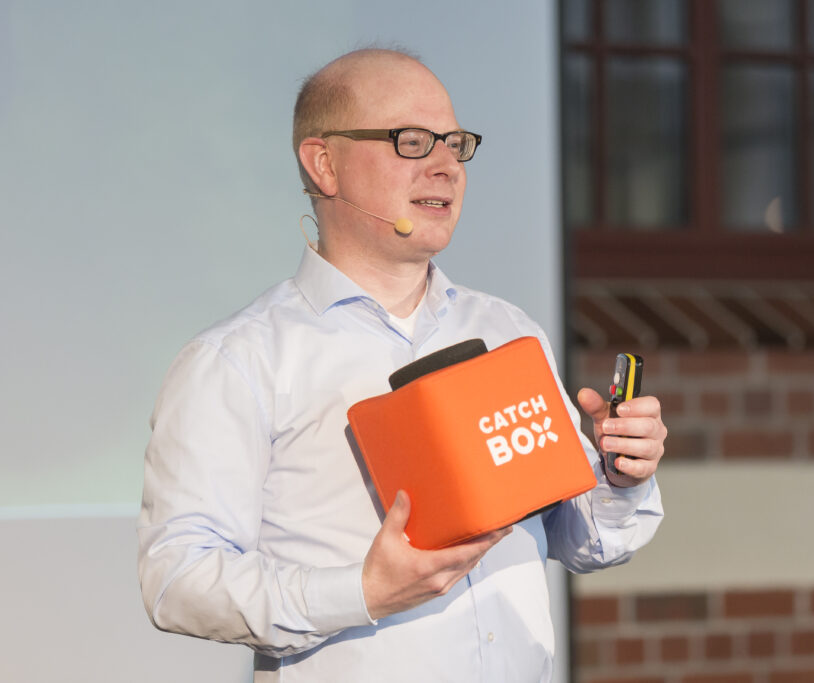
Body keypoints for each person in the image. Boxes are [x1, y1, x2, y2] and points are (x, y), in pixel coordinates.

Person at [138, 48, 666, 682]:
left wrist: (622, 478)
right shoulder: (238, 359)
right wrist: (360, 591)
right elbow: (176, 580)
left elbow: (586, 540)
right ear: (324, 163)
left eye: (455, 143)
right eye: (411, 141)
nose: (446, 166)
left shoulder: (507, 330)